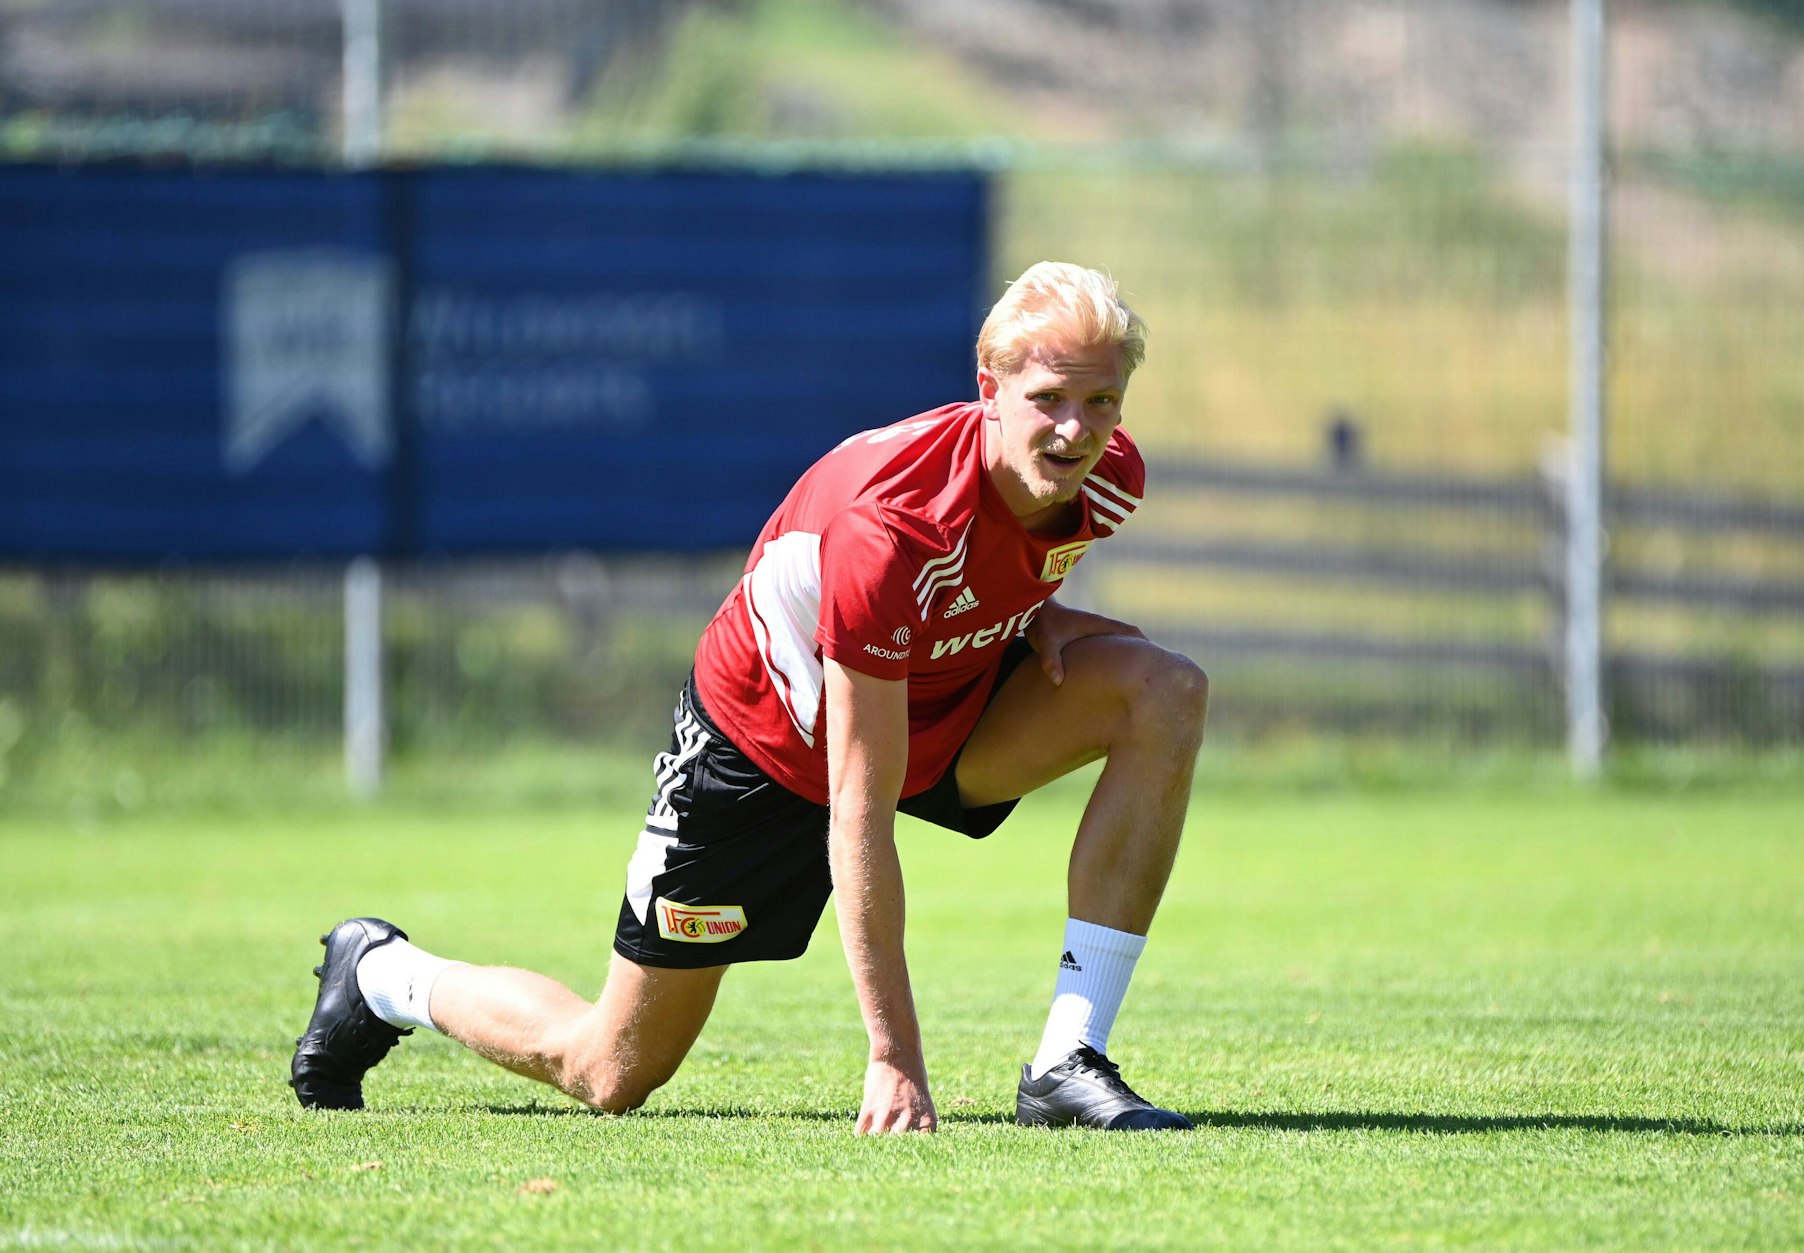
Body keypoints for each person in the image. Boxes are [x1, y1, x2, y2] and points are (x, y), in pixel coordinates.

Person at [290, 261, 1209, 1134]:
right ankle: (385, 972)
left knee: (1163, 691)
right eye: (1047, 398)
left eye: (1101, 401)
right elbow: (860, 802)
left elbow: (995, 564)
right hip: (766, 747)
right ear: (989, 388)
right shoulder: (887, 526)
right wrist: (893, 1056)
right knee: (610, 1070)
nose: (1076, 430)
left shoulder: (1109, 477)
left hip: (932, 701)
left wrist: (1035, 616)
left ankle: (1068, 1061)